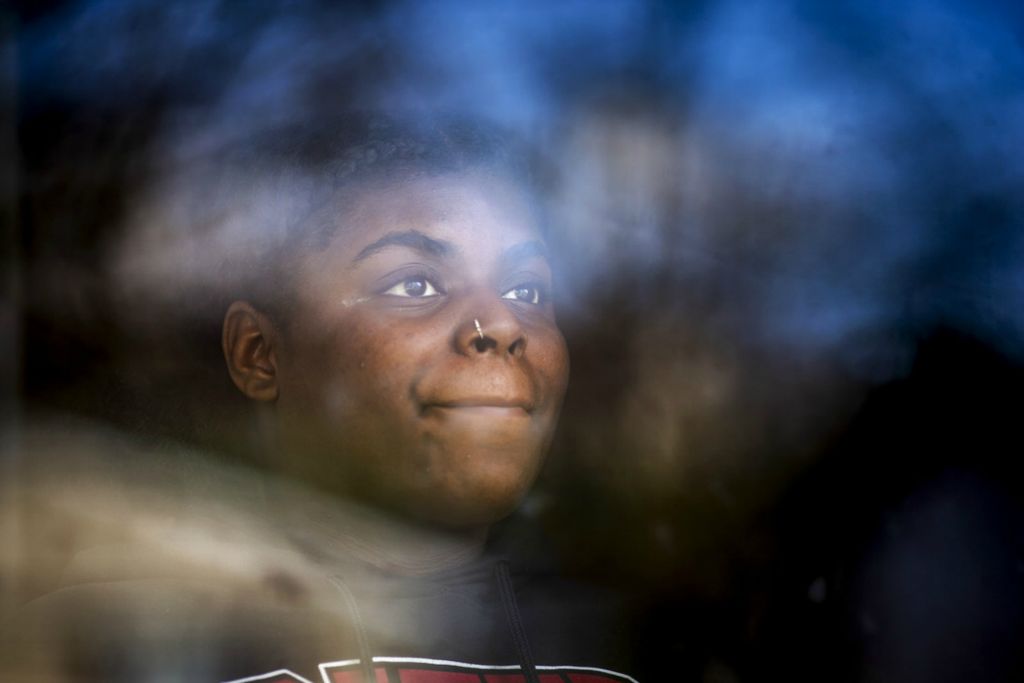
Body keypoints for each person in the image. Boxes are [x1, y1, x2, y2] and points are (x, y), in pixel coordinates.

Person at [1, 114, 637, 682]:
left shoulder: (628, 644)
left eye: (527, 291)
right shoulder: (117, 642)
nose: (500, 325)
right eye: (414, 283)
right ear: (258, 353)